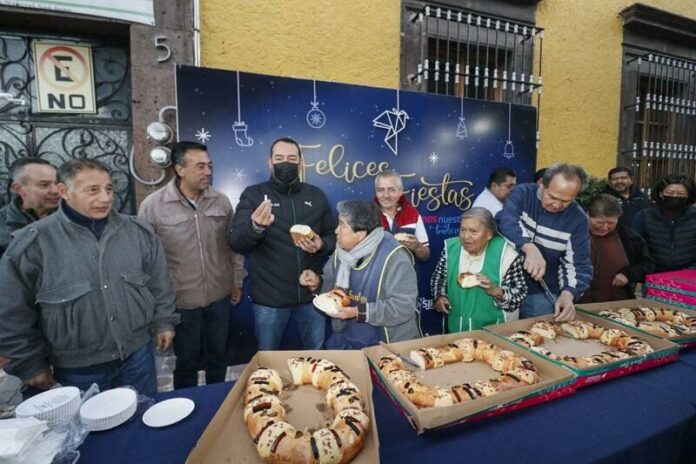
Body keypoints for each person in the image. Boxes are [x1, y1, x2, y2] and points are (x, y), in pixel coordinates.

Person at [0, 159, 178, 397]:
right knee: (89, 432)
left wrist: (164, 321)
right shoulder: (33, 244)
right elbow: (13, 311)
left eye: (109, 189)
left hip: (138, 357)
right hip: (77, 370)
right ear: (64, 192)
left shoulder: (137, 232)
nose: (105, 198)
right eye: (92, 190)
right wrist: (29, 364)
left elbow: (159, 283)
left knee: (143, 420)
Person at [139, 141, 246, 389]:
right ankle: (186, 409)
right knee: (186, 362)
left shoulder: (221, 201)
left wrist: (236, 281)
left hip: (220, 297)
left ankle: (217, 404)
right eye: (200, 166)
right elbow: (145, 261)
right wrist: (157, 305)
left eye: (209, 166)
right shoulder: (153, 207)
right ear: (180, 169)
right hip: (181, 302)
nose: (208, 172)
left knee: (218, 358)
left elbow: (233, 247)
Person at [228, 137, 336, 350]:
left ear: (300, 162)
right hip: (270, 300)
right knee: (267, 359)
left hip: (311, 296)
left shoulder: (316, 195)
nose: (285, 163)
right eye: (279, 158)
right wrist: (256, 227)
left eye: (291, 158)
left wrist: (321, 244)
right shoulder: (254, 195)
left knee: (317, 355)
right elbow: (235, 242)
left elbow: (334, 237)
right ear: (270, 162)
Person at [299, 200, 421, 349]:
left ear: (361, 234)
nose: (336, 231)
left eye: (342, 225)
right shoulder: (342, 251)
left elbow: (403, 307)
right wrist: (318, 283)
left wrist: (359, 312)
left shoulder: (395, 257)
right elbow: (332, 288)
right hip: (347, 341)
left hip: (386, 347)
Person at [497, 163, 592, 321]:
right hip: (505, 284)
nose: (556, 205)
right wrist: (528, 247)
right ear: (541, 184)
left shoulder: (578, 219)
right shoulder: (523, 193)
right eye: (552, 197)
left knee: (538, 337)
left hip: (542, 291)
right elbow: (506, 221)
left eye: (566, 201)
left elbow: (578, 264)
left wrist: (568, 294)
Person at [430, 207, 527, 332]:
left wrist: (496, 291)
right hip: (457, 329)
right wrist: (440, 296)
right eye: (463, 230)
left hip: (495, 331)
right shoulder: (451, 248)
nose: (465, 236)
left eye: (473, 231)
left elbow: (520, 295)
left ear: (489, 234)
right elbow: (439, 278)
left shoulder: (507, 254)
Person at [578, 194, 655, 303]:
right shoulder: (574, 234)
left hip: (617, 303)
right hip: (577, 303)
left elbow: (647, 264)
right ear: (587, 215)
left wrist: (628, 274)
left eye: (611, 223)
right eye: (599, 222)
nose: (605, 227)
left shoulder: (629, 237)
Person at [633, 174, 696, 273]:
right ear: (661, 193)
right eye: (670, 192)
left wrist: (691, 270)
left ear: (688, 195)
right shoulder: (644, 216)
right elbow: (636, 247)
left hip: (689, 277)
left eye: (681, 193)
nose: (675, 196)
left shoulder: (694, 216)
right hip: (654, 275)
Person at [0, 158, 59, 256]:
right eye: (44, 185)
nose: (55, 190)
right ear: (18, 188)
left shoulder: (73, 217)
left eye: (57, 183)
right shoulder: (3, 227)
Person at [374, 170, 430, 262]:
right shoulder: (366, 214)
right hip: (376, 276)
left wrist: (417, 247)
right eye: (381, 190)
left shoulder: (412, 213)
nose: (386, 195)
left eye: (391, 190)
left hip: (407, 275)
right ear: (376, 192)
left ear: (400, 191)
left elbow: (426, 255)